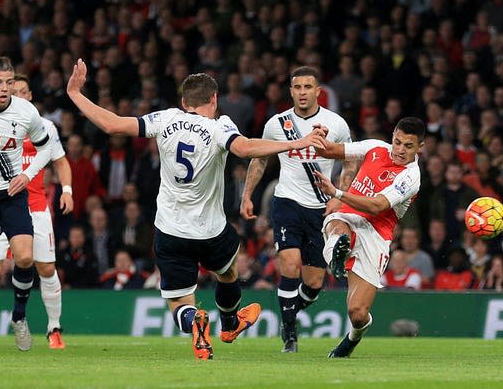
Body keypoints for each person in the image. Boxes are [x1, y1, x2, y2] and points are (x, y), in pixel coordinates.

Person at [66, 59, 326, 360]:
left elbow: (112, 124)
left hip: (171, 230)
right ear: (214, 99)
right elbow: (244, 149)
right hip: (211, 230)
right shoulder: (220, 126)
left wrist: (75, 93)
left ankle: (196, 324)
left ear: (183, 101)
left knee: (180, 304)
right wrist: (297, 144)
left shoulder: (164, 119)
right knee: (228, 273)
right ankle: (229, 323)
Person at [239, 66, 355, 354]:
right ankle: (290, 333)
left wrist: (340, 197)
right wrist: (247, 195)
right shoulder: (277, 124)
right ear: (290, 91)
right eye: (297, 87)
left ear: (318, 91)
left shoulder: (336, 123)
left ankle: (287, 313)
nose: (302, 92)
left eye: (308, 87)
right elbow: (259, 160)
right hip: (287, 201)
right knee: (289, 266)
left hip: (321, 208)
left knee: (314, 282)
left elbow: (351, 161)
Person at [0, 74, 73, 351]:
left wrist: (68, 190)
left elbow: (60, 162)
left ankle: (54, 328)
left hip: (35, 207)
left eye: (22, 91)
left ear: (29, 96)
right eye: (14, 90)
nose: (16, 94)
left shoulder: (44, 126)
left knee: (45, 267)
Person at [312, 116, 425, 358]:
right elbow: (332, 150)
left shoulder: (411, 176)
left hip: (376, 233)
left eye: (408, 146)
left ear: (420, 148)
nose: (400, 150)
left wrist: (337, 192)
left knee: (357, 313)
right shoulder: (376, 147)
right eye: (397, 142)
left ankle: (352, 339)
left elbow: (376, 206)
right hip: (348, 217)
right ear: (392, 137)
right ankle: (336, 256)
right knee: (337, 224)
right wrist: (320, 136)